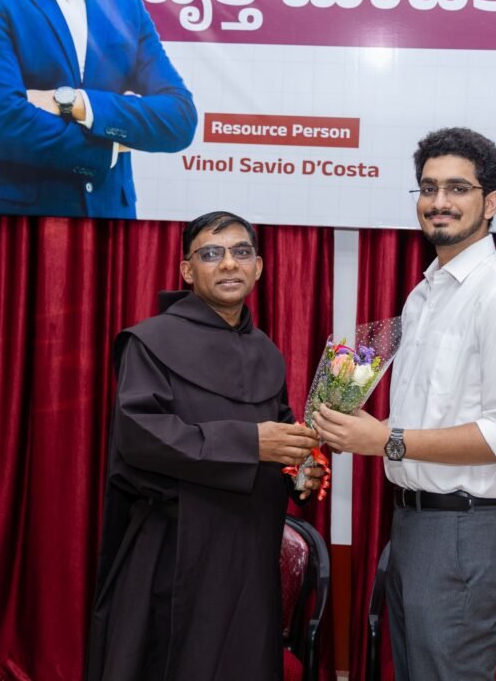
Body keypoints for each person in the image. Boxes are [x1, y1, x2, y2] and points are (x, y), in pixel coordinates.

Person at [313, 128, 496, 680]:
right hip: (415, 524)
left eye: (457, 188)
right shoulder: (424, 294)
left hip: (465, 531)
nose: (439, 201)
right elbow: (429, 415)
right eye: (428, 188)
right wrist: (355, 429)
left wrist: (386, 441)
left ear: (490, 203)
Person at [87, 211, 326, 680]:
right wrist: (250, 443)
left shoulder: (267, 352)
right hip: (176, 548)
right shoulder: (149, 341)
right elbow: (140, 436)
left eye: (241, 252)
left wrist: (300, 471)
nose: (229, 264)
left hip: (250, 550)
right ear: (187, 270)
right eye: (211, 253)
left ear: (258, 267)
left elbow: (280, 435)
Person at [0, 0, 197, 218]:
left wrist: (76, 102)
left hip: (109, 215)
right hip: (14, 215)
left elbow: (180, 119)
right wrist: (110, 147)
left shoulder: (126, 4)